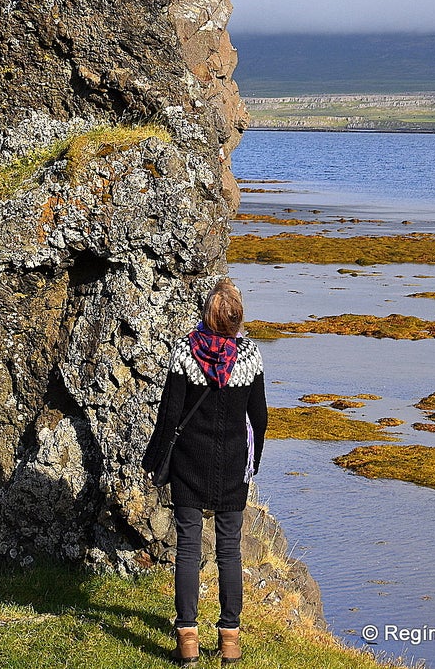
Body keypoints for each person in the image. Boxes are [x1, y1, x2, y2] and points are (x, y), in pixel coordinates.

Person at [142, 279, 268, 666]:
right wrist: (253, 463)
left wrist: (154, 461)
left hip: (188, 464)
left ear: (206, 313)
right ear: (237, 317)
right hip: (233, 465)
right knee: (229, 551)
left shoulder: (185, 351)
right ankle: (230, 639)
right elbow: (259, 419)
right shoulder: (250, 356)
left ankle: (187, 639)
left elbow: (169, 415)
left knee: (188, 549)